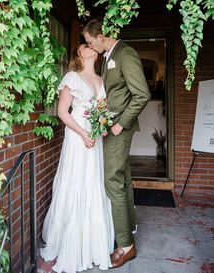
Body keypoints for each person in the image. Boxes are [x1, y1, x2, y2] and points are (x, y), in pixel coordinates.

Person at [40, 44, 114, 273]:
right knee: (76, 181)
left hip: (96, 137)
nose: (90, 46)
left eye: (91, 44)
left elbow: (103, 109)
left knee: (93, 182)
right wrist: (83, 133)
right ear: (80, 54)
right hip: (77, 136)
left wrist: (101, 126)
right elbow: (63, 111)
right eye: (85, 45)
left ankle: (92, 245)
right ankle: (70, 245)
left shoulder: (102, 79)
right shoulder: (72, 77)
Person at [82, 18, 150, 268]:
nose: (90, 46)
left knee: (112, 180)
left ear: (100, 36)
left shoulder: (125, 53)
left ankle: (125, 246)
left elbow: (141, 93)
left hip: (119, 129)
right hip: (111, 128)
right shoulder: (109, 56)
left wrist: (120, 123)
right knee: (121, 178)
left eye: (90, 41)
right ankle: (128, 228)